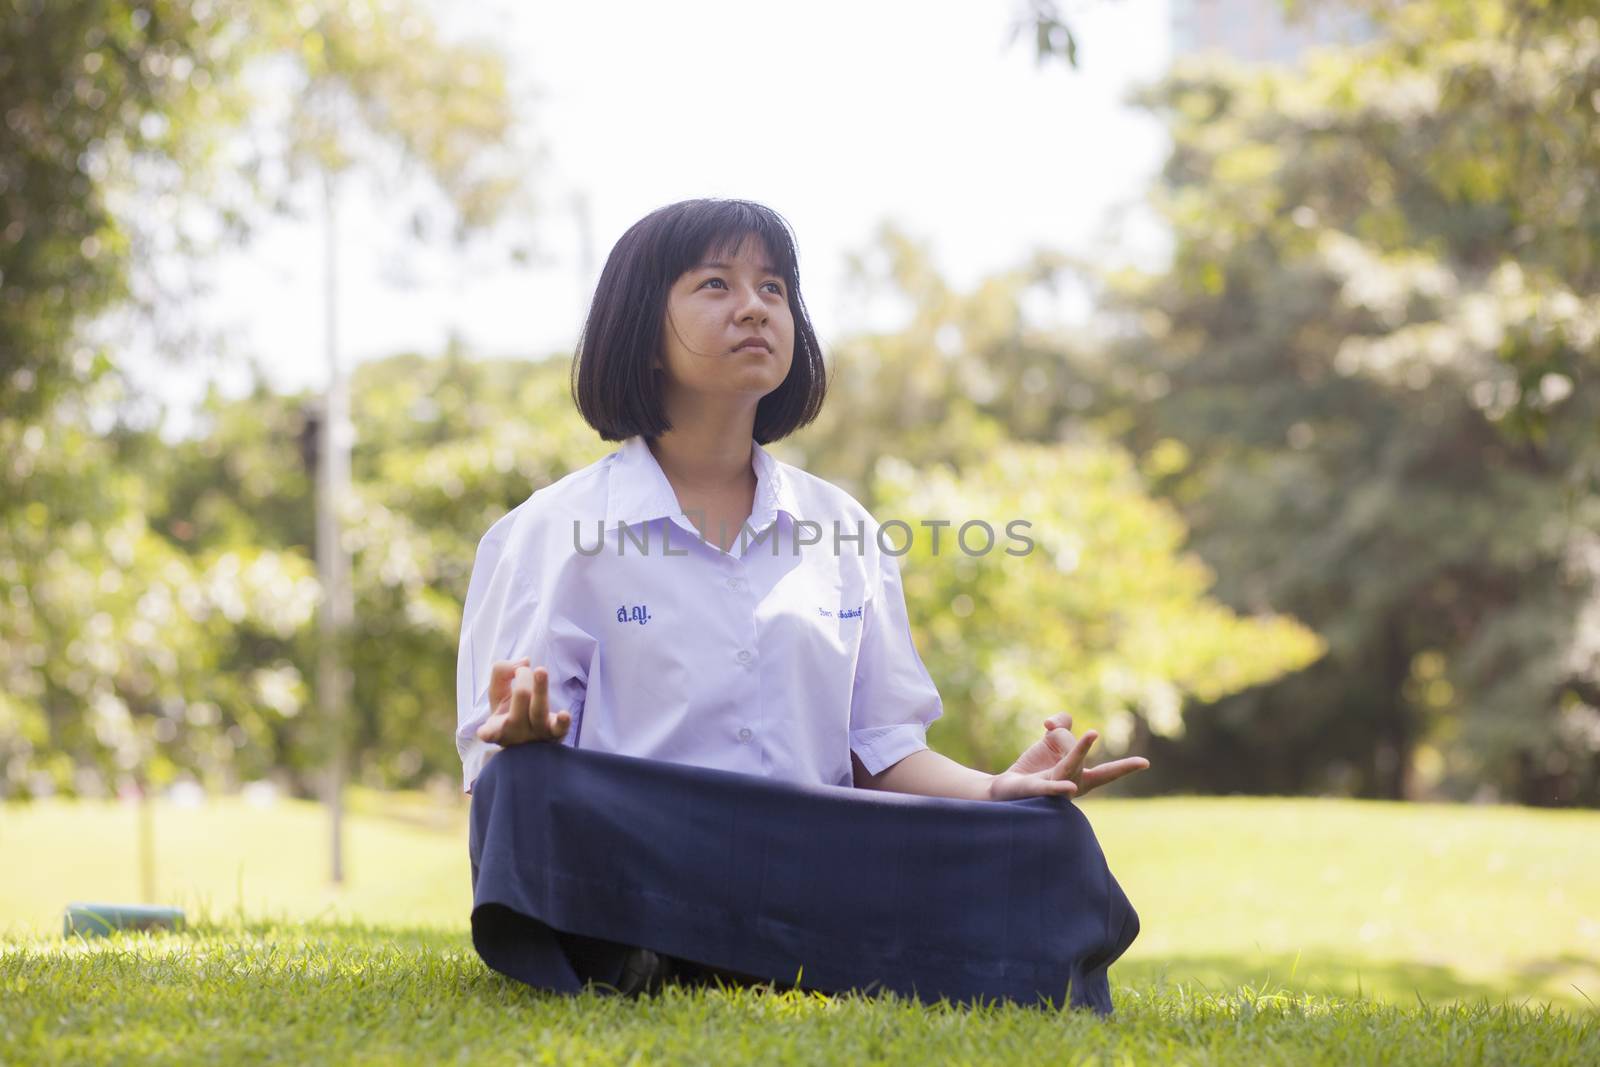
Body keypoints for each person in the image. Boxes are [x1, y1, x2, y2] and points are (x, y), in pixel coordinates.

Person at [457, 197, 1148, 1005]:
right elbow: (499, 768)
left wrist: (996, 789)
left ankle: (687, 954)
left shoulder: (842, 529)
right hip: (649, 850)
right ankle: (662, 942)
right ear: (641, 333)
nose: (754, 306)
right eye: (715, 284)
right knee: (522, 791)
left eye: (774, 288)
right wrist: (527, 744)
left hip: (817, 851)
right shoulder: (551, 529)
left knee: (1047, 836)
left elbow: (881, 747)